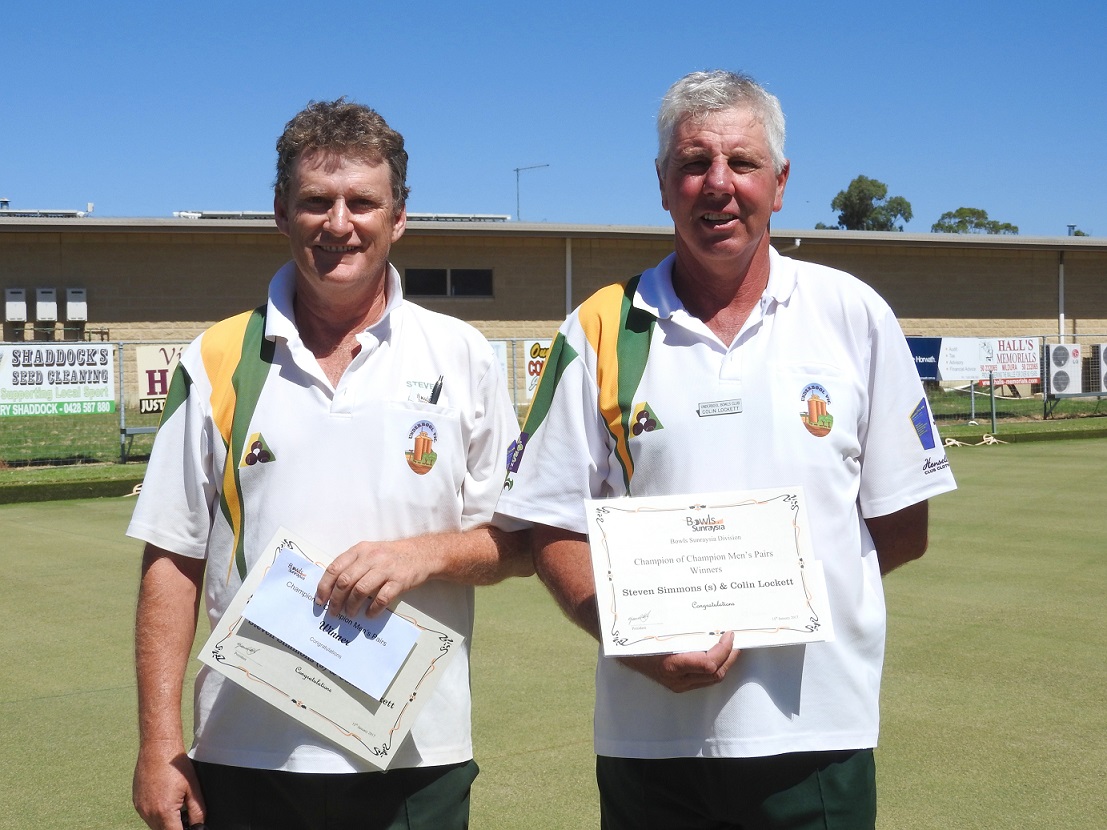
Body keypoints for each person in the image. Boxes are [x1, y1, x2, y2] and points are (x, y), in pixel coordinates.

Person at [494, 70, 957, 829]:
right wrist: (633, 638)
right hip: (649, 742)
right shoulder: (600, 326)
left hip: (818, 732)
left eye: (741, 163)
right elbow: (550, 526)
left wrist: (789, 590)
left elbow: (899, 529)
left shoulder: (852, 314)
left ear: (778, 183)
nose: (718, 184)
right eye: (692, 164)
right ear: (662, 184)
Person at [128, 99, 531, 830]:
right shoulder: (217, 356)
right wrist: (159, 743)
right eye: (316, 201)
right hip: (246, 751)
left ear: (398, 216)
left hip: (414, 753)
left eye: (361, 202)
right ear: (281, 212)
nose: (338, 223)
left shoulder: (463, 355)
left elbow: (517, 542)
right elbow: (172, 555)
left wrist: (424, 556)